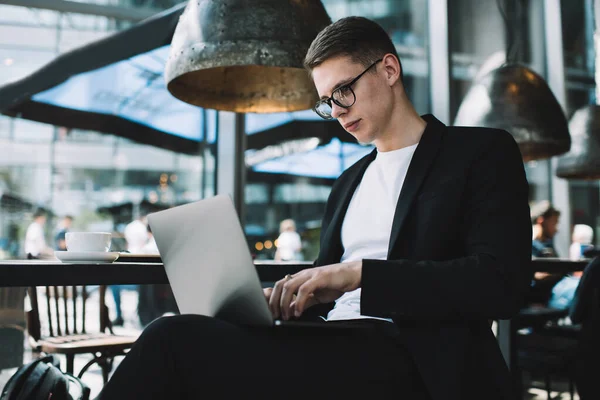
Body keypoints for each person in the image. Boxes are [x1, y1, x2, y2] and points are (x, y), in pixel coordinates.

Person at [96, 17, 531, 400]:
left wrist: (359, 273)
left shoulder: (478, 153)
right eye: (327, 102)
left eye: (344, 91)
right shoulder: (348, 183)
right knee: (185, 341)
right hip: (333, 343)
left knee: (173, 341)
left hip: (414, 357)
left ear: (389, 69)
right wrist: (284, 301)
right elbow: (326, 291)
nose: (338, 112)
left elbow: (500, 283)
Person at [528, 201, 563, 305]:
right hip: (543, 297)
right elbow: (535, 276)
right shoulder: (528, 244)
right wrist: (560, 271)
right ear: (541, 221)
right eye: (554, 223)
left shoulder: (547, 244)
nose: (556, 230)